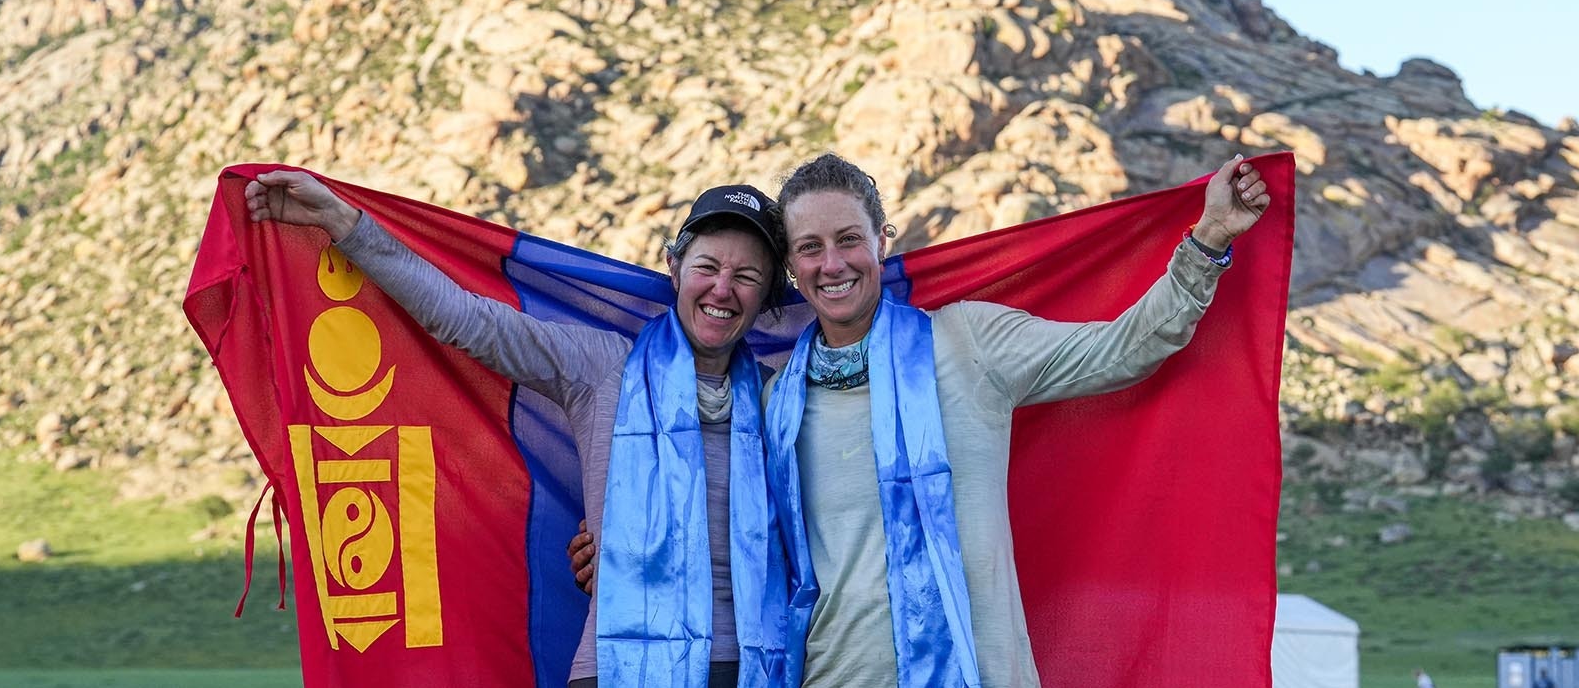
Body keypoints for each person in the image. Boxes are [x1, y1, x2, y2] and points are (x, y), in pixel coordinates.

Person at [574, 151, 1271, 687]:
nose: (833, 263)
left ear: (883, 239)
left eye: (849, 240)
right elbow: (718, 520)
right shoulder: (772, 398)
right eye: (810, 249)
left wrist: (1208, 239)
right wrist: (612, 543)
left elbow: (1124, 350)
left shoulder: (967, 345)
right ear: (793, 266)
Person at [244, 171, 793, 688]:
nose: (722, 289)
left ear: (765, 298)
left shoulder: (782, 398)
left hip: (749, 670)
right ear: (674, 269)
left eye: (746, 277)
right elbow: (463, 318)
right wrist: (344, 223)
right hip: (617, 667)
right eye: (707, 267)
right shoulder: (602, 368)